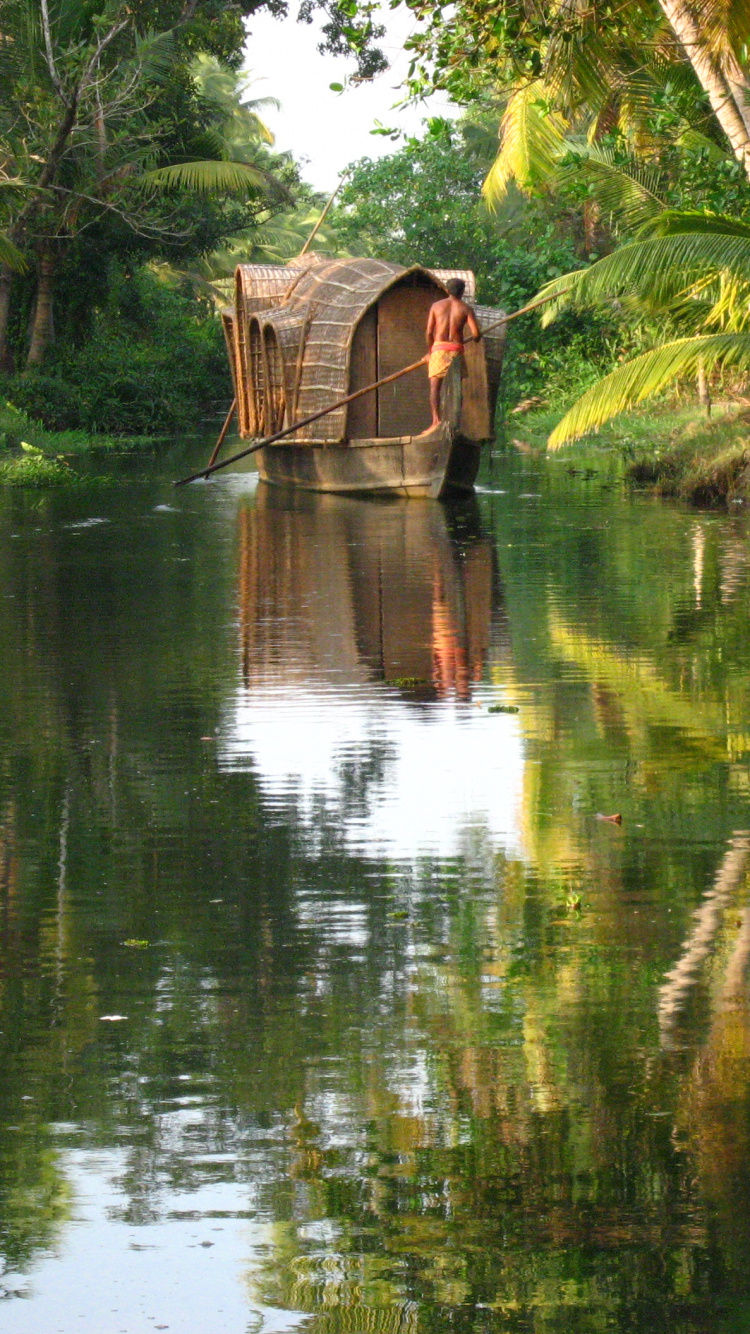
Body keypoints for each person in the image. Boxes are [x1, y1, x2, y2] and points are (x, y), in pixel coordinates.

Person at [425, 278, 481, 430]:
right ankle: (455, 423)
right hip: (456, 349)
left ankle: (436, 421)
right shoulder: (466, 308)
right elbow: (476, 334)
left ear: (447, 290)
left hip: (439, 348)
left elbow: (429, 332)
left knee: (435, 387)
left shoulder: (436, 306)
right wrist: (476, 338)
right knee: (456, 387)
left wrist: (430, 352)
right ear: (462, 292)